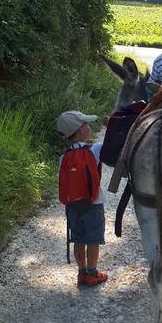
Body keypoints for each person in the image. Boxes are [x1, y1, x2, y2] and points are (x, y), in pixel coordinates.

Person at [56, 111, 108, 287]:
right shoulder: (95, 149)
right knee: (93, 240)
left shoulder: (63, 158)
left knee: (78, 238)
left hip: (72, 206)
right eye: (85, 124)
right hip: (94, 203)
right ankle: (92, 273)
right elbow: (114, 147)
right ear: (80, 131)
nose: (89, 127)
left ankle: (81, 273)